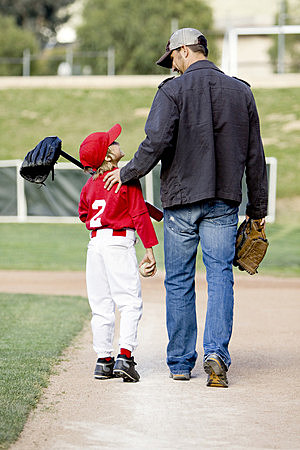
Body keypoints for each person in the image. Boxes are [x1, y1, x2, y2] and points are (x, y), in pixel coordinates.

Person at [103, 28, 268, 387]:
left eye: (172, 58)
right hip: (224, 201)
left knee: (179, 281)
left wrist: (127, 173)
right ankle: (216, 355)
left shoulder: (171, 90)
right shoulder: (241, 92)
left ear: (184, 51)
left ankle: (180, 363)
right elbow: (256, 156)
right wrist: (258, 211)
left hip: (180, 202)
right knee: (221, 277)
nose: (172, 65)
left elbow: (156, 141)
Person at [78, 124, 158, 383]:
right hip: (118, 244)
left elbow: (83, 214)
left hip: (95, 246)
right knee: (130, 302)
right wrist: (150, 251)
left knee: (101, 306)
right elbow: (138, 215)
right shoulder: (126, 177)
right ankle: (125, 357)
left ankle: (103, 361)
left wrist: (103, 194)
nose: (117, 142)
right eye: (112, 142)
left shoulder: (90, 185)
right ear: (109, 156)